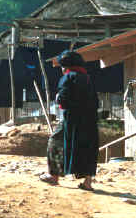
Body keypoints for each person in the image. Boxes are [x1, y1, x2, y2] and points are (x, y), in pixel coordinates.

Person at [41, 50, 99, 191]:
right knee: (87, 148)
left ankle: (53, 176)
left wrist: (58, 98)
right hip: (90, 121)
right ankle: (87, 182)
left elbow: (63, 101)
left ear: (66, 67)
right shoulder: (87, 78)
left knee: (55, 141)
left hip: (72, 120)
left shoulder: (68, 78)